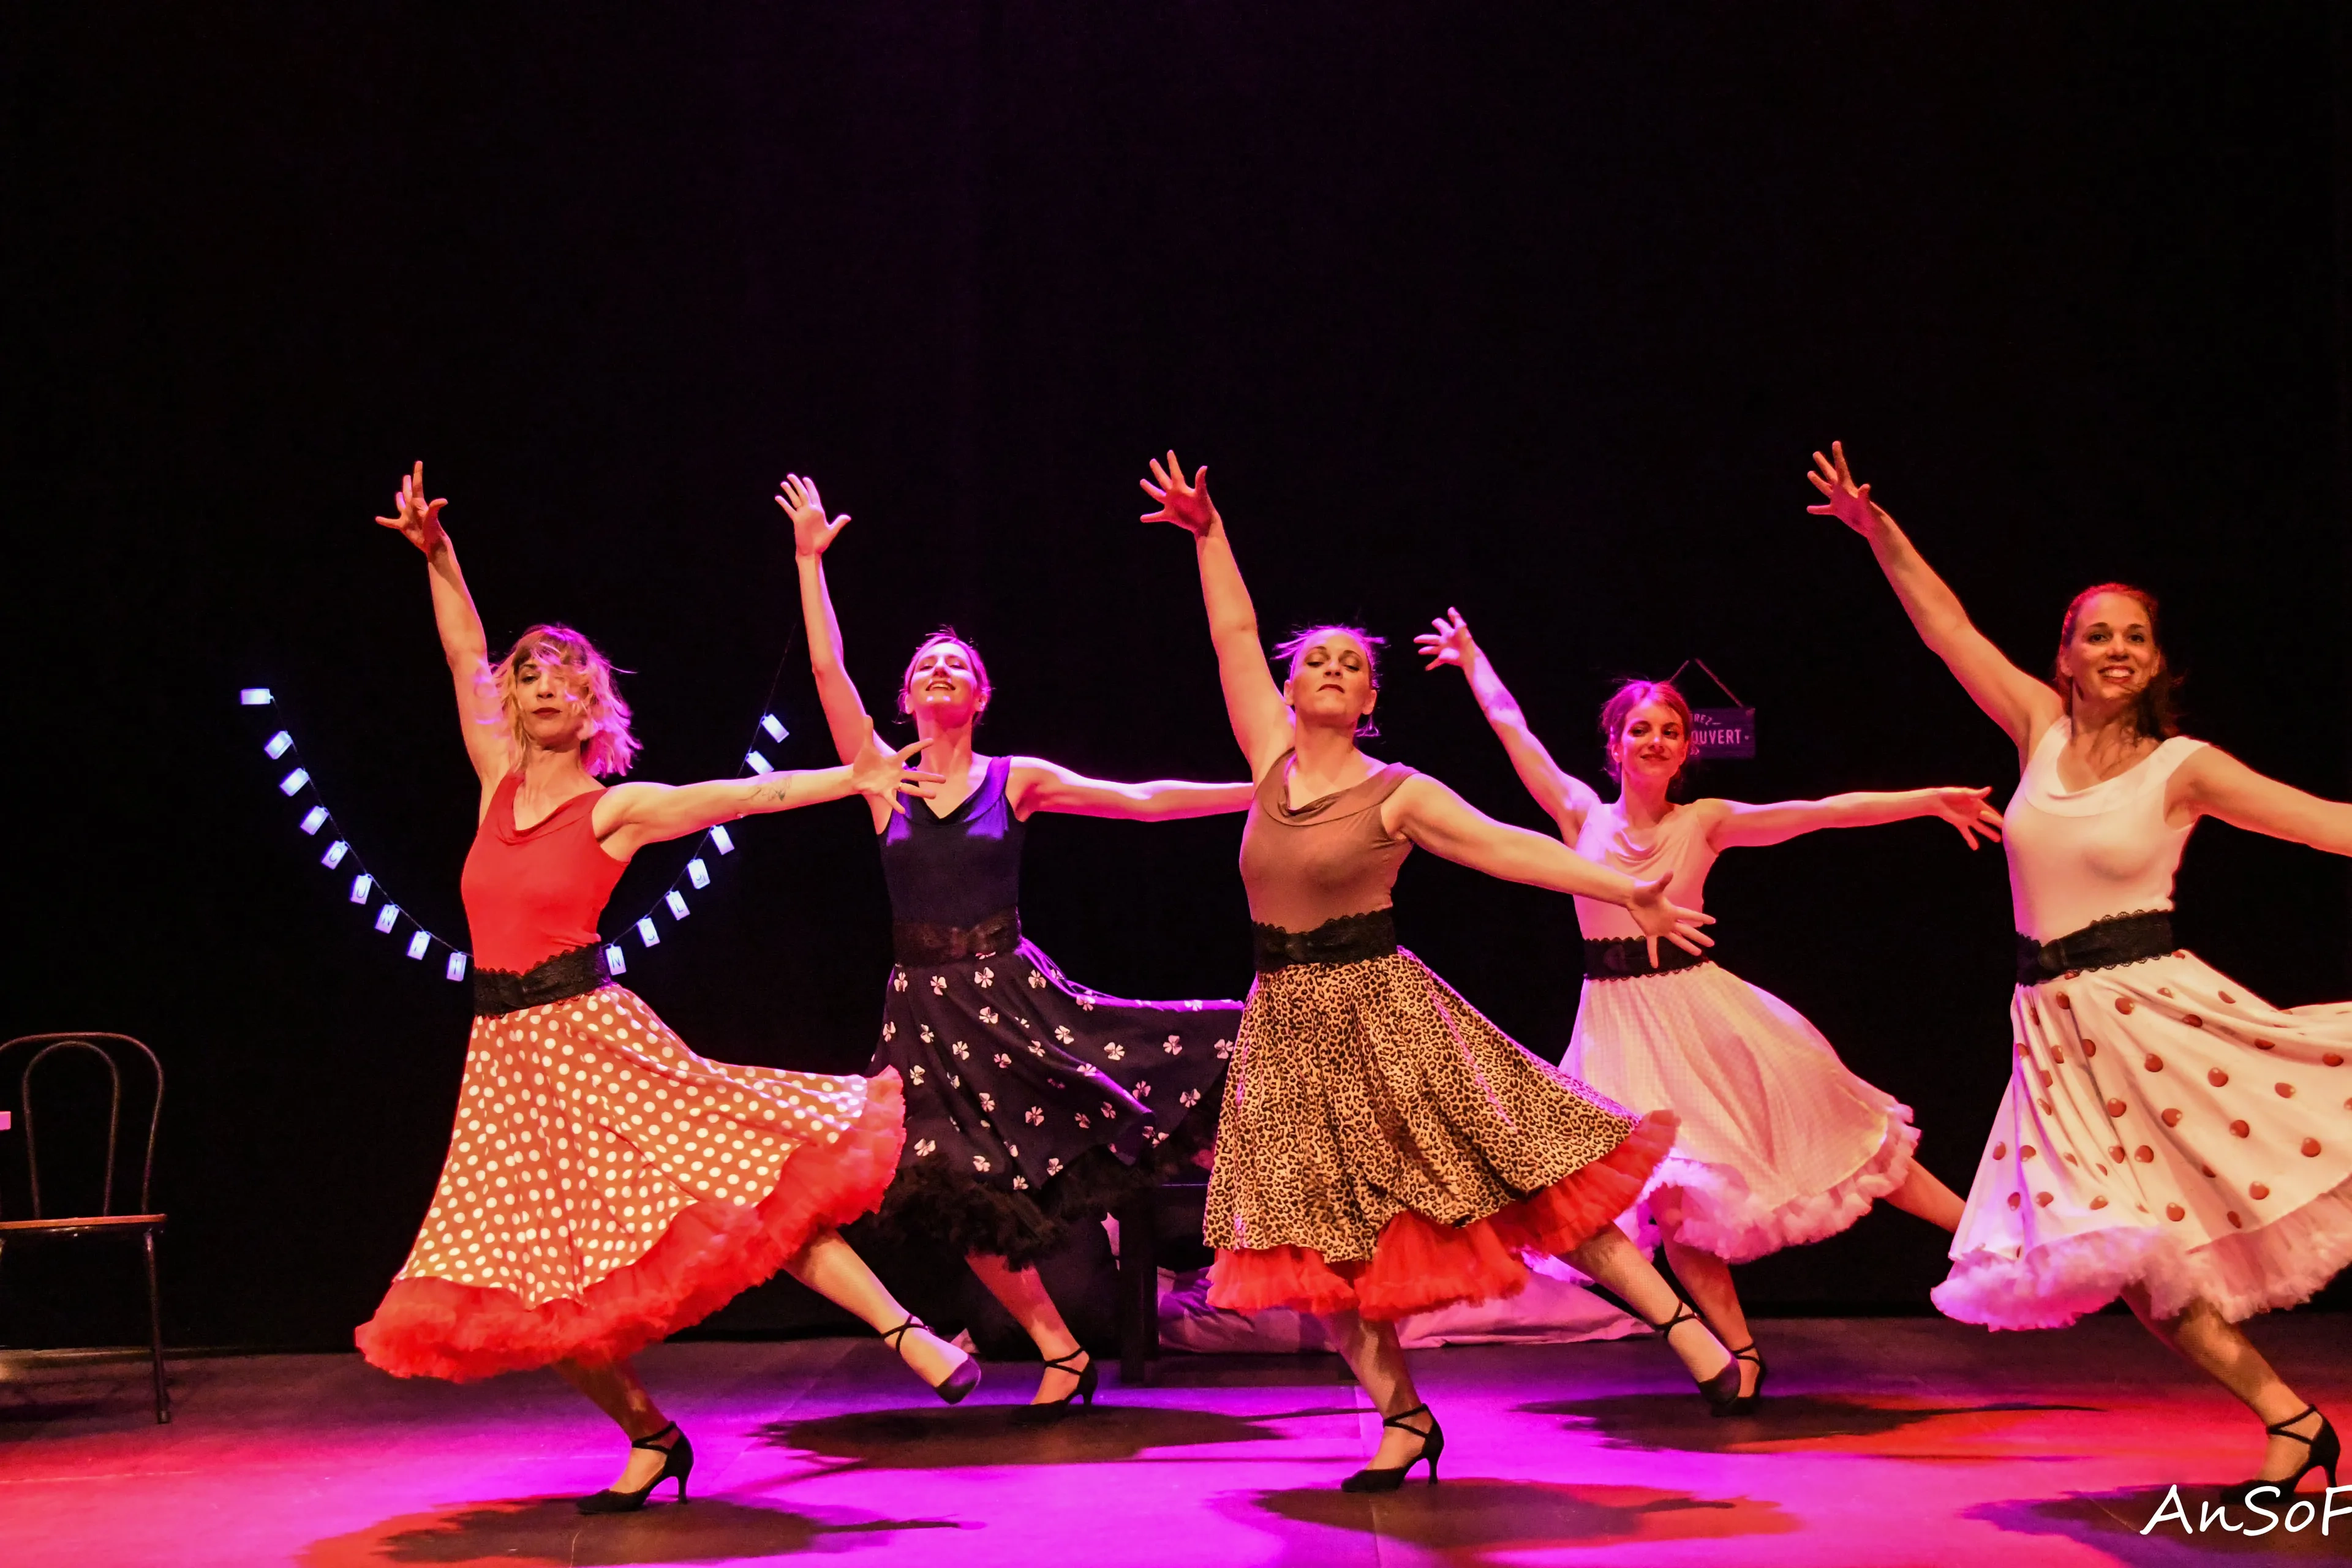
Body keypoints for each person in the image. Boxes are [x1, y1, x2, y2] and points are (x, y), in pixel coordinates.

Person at [354, 464, 977, 1515]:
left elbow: (740, 795)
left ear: (593, 706)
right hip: (505, 1069)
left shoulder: (616, 808)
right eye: (529, 676)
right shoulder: (494, 779)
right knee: (531, 1281)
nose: (543, 689)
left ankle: (902, 1330)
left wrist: (856, 777)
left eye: (566, 679)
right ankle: (651, 1439)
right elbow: (463, 652)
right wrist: (439, 555)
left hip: (593, 1039)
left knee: (743, 1184)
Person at [1140, 450, 1747, 1493]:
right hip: (1285, 1024)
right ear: (1291, 688)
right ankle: (1404, 1420)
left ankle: (1679, 1322)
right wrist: (1210, 535)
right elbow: (1234, 633)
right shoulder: (1267, 759)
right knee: (1315, 1238)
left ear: (1371, 698)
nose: (1333, 671)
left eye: (1352, 665)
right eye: (1317, 661)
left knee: (1521, 1177)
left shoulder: (1401, 792)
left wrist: (1630, 891)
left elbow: (1513, 850)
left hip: (1384, 1012)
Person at [1811, 440, 2348, 1502]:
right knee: (2125, 1261)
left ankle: (2294, 1424)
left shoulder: (2183, 767)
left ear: (2156, 662)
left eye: (2135, 638)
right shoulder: (2038, 732)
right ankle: (2293, 1420)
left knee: (2159, 1245)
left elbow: (2327, 824)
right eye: (2097, 635)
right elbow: (1947, 629)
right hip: (2054, 1036)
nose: (2117, 650)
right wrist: (1880, 533)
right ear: (2064, 655)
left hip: (2155, 1014)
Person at [1418, 611, 1989, 1412]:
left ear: (1687, 749)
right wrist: (1474, 661)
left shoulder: (1705, 822)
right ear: (1615, 744)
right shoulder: (1581, 815)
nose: (1656, 742)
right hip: (1619, 1029)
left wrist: (1926, 799)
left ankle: (1993, 1241)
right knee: (1676, 1206)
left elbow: (1820, 812)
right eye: (1641, 730)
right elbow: (1514, 729)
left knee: (1853, 1137)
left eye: (1671, 732)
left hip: (1705, 1015)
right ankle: (1738, 1355)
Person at [779, 473, 1248, 1409]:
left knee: (1171, 1060)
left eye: (957, 664)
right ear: (907, 696)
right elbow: (829, 674)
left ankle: (1245, 1250)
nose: (940, 671)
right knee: (949, 1194)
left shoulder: (1014, 778)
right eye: (927, 665)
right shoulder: (881, 779)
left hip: (1011, 995)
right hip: (922, 1015)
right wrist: (808, 564)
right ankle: (1059, 1353)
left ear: (981, 695)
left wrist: (1255, 791)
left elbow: (1139, 800)